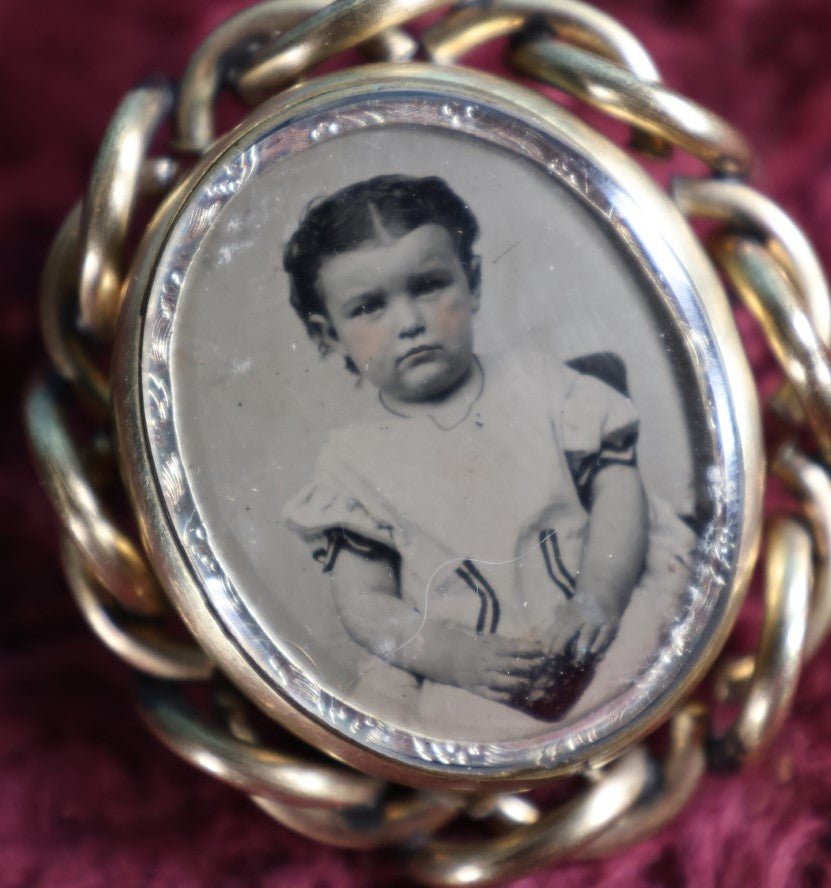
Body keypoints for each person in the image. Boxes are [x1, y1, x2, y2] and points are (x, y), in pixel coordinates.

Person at [282, 174, 688, 722]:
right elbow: (368, 606)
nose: (409, 322)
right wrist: (453, 656)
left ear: (470, 283)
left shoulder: (541, 382)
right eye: (368, 307)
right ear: (329, 335)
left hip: (596, 613)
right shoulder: (351, 463)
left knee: (661, 651)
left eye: (428, 285)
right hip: (476, 669)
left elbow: (620, 493)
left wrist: (599, 595)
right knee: (447, 725)